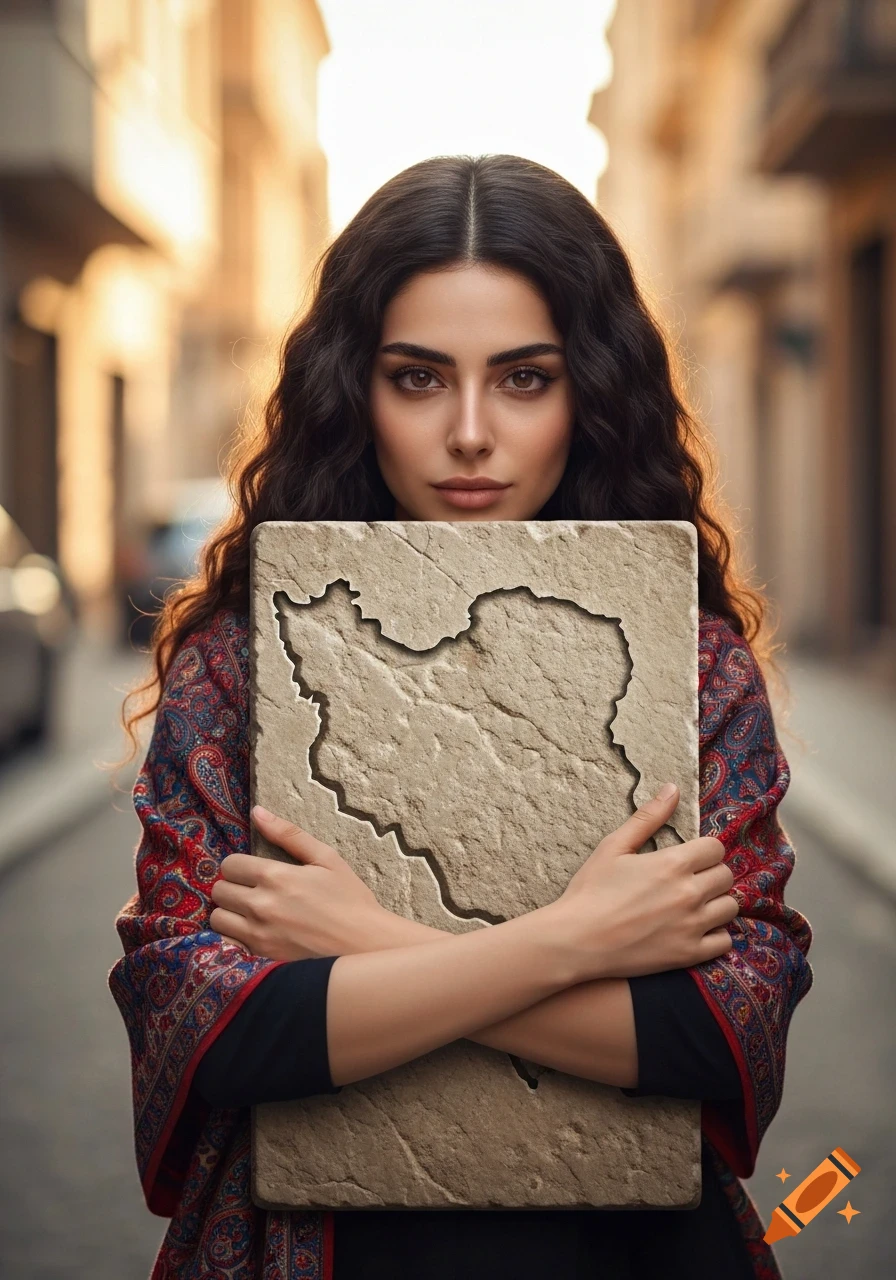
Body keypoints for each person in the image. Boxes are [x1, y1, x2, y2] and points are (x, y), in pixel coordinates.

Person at [108, 154, 813, 1280]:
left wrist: (365, 947)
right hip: (316, 1243)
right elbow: (208, 1023)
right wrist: (576, 945)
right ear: (355, 389)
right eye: (419, 377)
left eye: (524, 378)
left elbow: (724, 1037)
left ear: (589, 389)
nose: (472, 431)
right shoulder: (239, 664)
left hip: (626, 1246)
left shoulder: (691, 665)